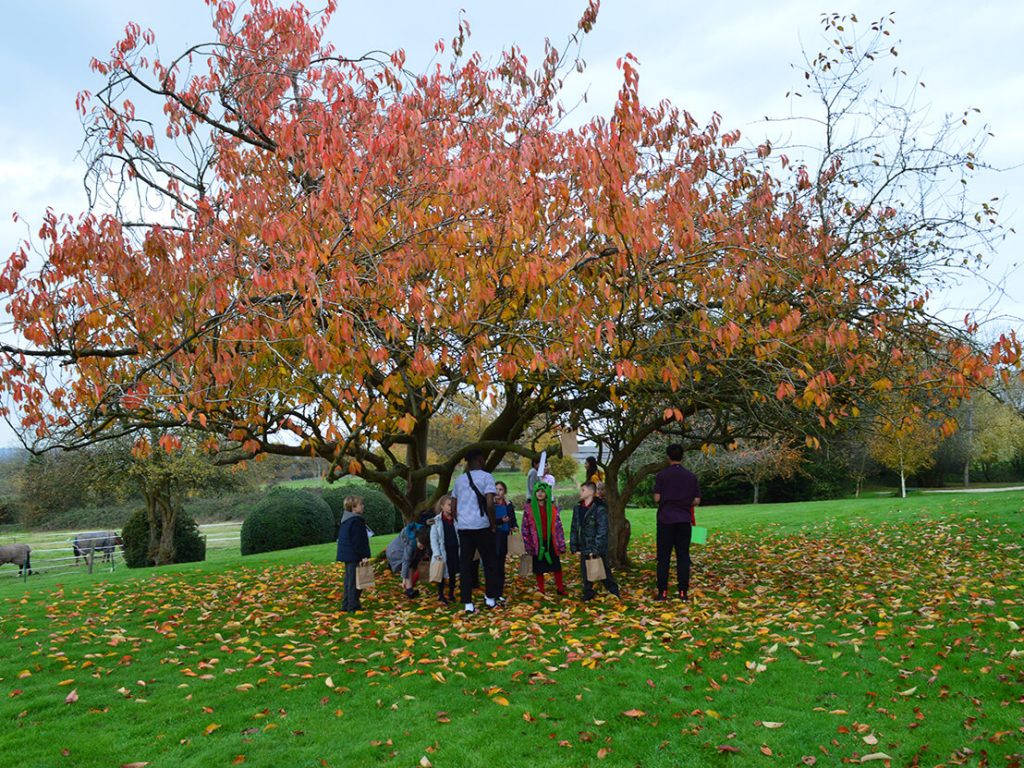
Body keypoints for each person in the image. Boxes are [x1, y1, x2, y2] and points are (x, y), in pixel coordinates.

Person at [452, 448, 501, 614]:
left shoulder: (459, 480)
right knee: (489, 563)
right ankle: (490, 598)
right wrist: (493, 524)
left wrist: (459, 521)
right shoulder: (487, 477)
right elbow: (489, 503)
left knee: (465, 565)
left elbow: (453, 505)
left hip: (464, 528)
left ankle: (467, 602)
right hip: (482, 527)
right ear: (480, 460)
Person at [652, 444, 701, 601]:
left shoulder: (662, 476)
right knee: (683, 556)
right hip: (684, 519)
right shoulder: (691, 477)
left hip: (665, 519)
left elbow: (657, 498)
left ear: (668, 457)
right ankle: (683, 592)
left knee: (663, 557)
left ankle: (662, 592)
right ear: (682, 457)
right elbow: (697, 500)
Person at [570, 481, 620, 600]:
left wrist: (596, 548)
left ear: (591, 492)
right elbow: (574, 527)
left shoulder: (599, 508)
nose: (580, 493)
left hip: (595, 546)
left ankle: (614, 590)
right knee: (585, 570)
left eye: (583, 490)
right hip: (583, 545)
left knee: (603, 570)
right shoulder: (577, 508)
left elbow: (602, 529)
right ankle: (588, 592)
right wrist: (574, 545)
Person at [521, 475, 566, 595]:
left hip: (551, 540)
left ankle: (560, 588)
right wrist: (528, 545)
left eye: (543, 491)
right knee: (539, 568)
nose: (540, 493)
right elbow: (525, 528)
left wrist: (560, 543)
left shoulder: (552, 508)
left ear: (547, 493)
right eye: (538, 491)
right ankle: (541, 589)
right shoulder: (528, 509)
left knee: (556, 566)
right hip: (537, 542)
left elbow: (558, 526)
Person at [336, 496, 371, 613]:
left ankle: (346, 604)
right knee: (355, 581)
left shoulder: (346, 520)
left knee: (349, 580)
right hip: (354, 554)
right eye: (360, 504)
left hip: (348, 554)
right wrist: (364, 556)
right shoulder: (356, 521)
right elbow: (358, 541)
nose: (363, 506)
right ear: (354, 507)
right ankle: (353, 605)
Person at [429, 494, 459, 604]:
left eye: (452, 505)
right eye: (449, 505)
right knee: (441, 573)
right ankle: (441, 595)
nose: (451, 507)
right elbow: (434, 538)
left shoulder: (456, 519)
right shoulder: (436, 521)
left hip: (455, 549)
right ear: (442, 506)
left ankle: (451, 593)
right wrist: (436, 553)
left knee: (452, 572)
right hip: (442, 551)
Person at [493, 481, 518, 600]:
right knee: (493, 563)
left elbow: (512, 518)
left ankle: (499, 592)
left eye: (500, 489)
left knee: (500, 563)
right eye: (496, 489)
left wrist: (513, 525)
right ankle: (492, 591)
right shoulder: (489, 504)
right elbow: (489, 521)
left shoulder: (508, 504)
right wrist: (500, 521)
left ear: (504, 492)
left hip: (504, 535)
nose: (498, 492)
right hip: (493, 536)